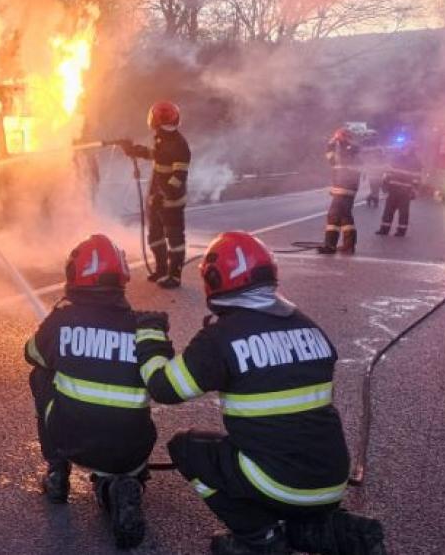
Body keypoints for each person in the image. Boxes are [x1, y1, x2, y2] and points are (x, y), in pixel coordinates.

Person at [136, 232, 386, 555]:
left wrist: (150, 336)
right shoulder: (309, 327)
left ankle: (260, 537)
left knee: (187, 448)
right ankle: (322, 530)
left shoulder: (220, 339)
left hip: (278, 483)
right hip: (330, 480)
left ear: (214, 280)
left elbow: (163, 388)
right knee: (273, 464)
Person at [25, 233, 168, 549]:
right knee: (118, 471)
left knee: (40, 375)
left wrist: (57, 330)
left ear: (74, 276)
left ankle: (57, 473)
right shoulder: (141, 327)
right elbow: (165, 384)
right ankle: (120, 487)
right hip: (132, 451)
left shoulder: (62, 320)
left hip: (72, 442)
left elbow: (31, 354)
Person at [122, 101, 192, 288]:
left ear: (155, 120)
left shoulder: (180, 145)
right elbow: (158, 156)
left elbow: (179, 178)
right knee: (155, 236)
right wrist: (137, 151)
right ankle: (161, 269)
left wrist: (163, 195)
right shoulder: (163, 139)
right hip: (157, 199)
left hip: (171, 203)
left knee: (175, 239)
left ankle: (174, 276)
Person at [319, 128, 362, 255]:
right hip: (346, 187)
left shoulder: (347, 149)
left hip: (344, 187)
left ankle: (330, 246)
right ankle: (348, 246)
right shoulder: (352, 149)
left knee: (334, 215)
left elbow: (332, 159)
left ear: (344, 136)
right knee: (344, 217)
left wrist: (332, 143)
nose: (336, 139)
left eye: (338, 136)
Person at [376, 143, 423, 237]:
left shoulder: (416, 162)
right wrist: (385, 185)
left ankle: (401, 231)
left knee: (403, 212)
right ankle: (384, 229)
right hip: (393, 189)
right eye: (404, 148)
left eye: (407, 148)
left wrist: (414, 190)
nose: (405, 150)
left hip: (405, 191)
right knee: (388, 210)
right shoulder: (396, 159)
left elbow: (417, 178)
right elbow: (388, 173)